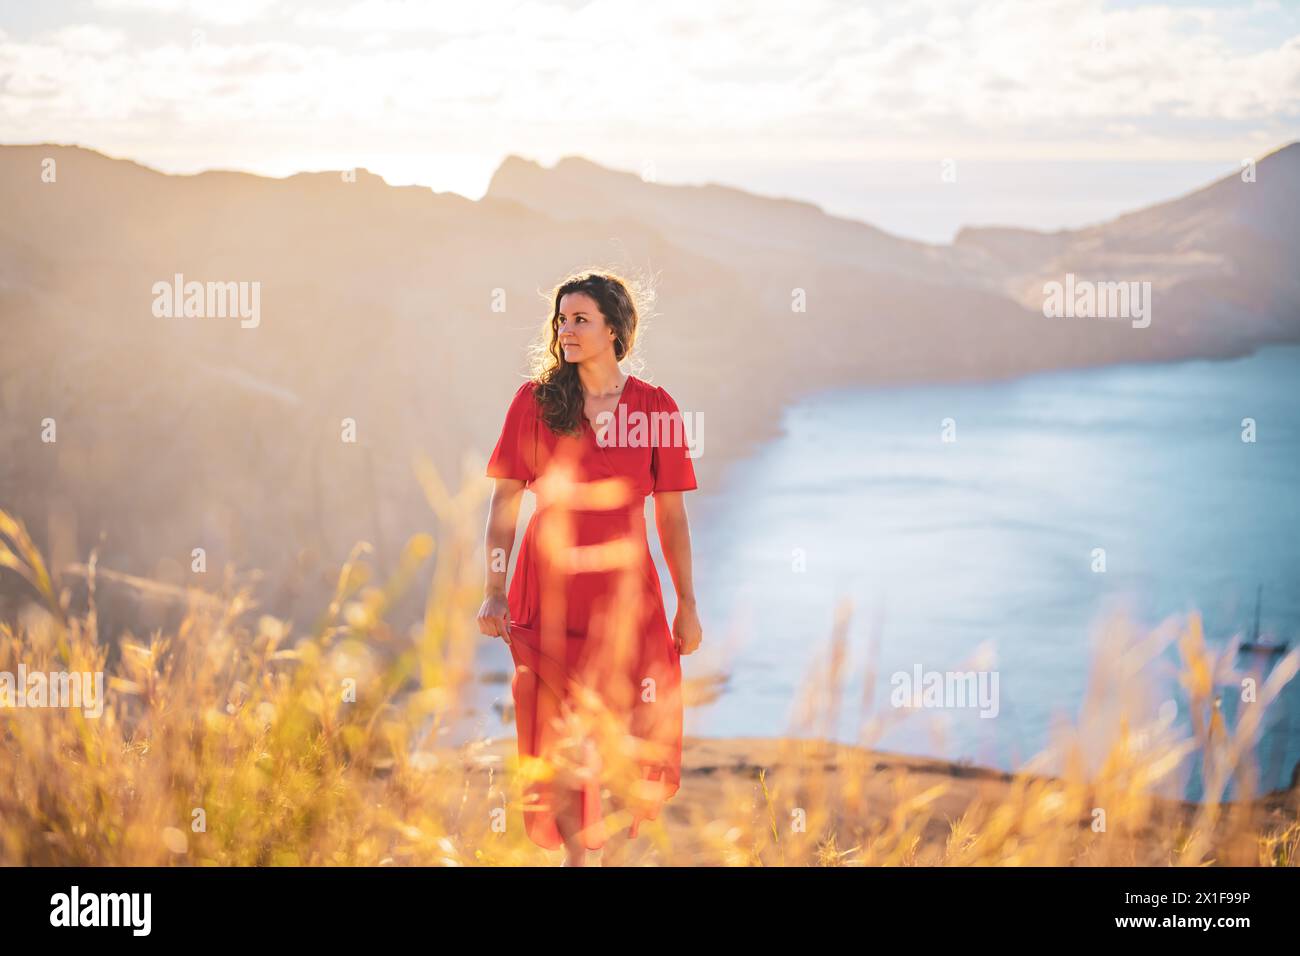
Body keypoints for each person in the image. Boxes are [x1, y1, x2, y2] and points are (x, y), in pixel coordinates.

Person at [477, 270, 702, 866]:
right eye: (561, 319)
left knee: (626, 728)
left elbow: (672, 518)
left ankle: (602, 857)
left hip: (630, 598)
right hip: (547, 592)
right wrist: (494, 591)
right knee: (563, 730)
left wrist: (689, 605)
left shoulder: (656, 408)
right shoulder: (535, 401)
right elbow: (504, 503)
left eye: (580, 319)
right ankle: (581, 860)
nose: (565, 330)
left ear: (614, 329)